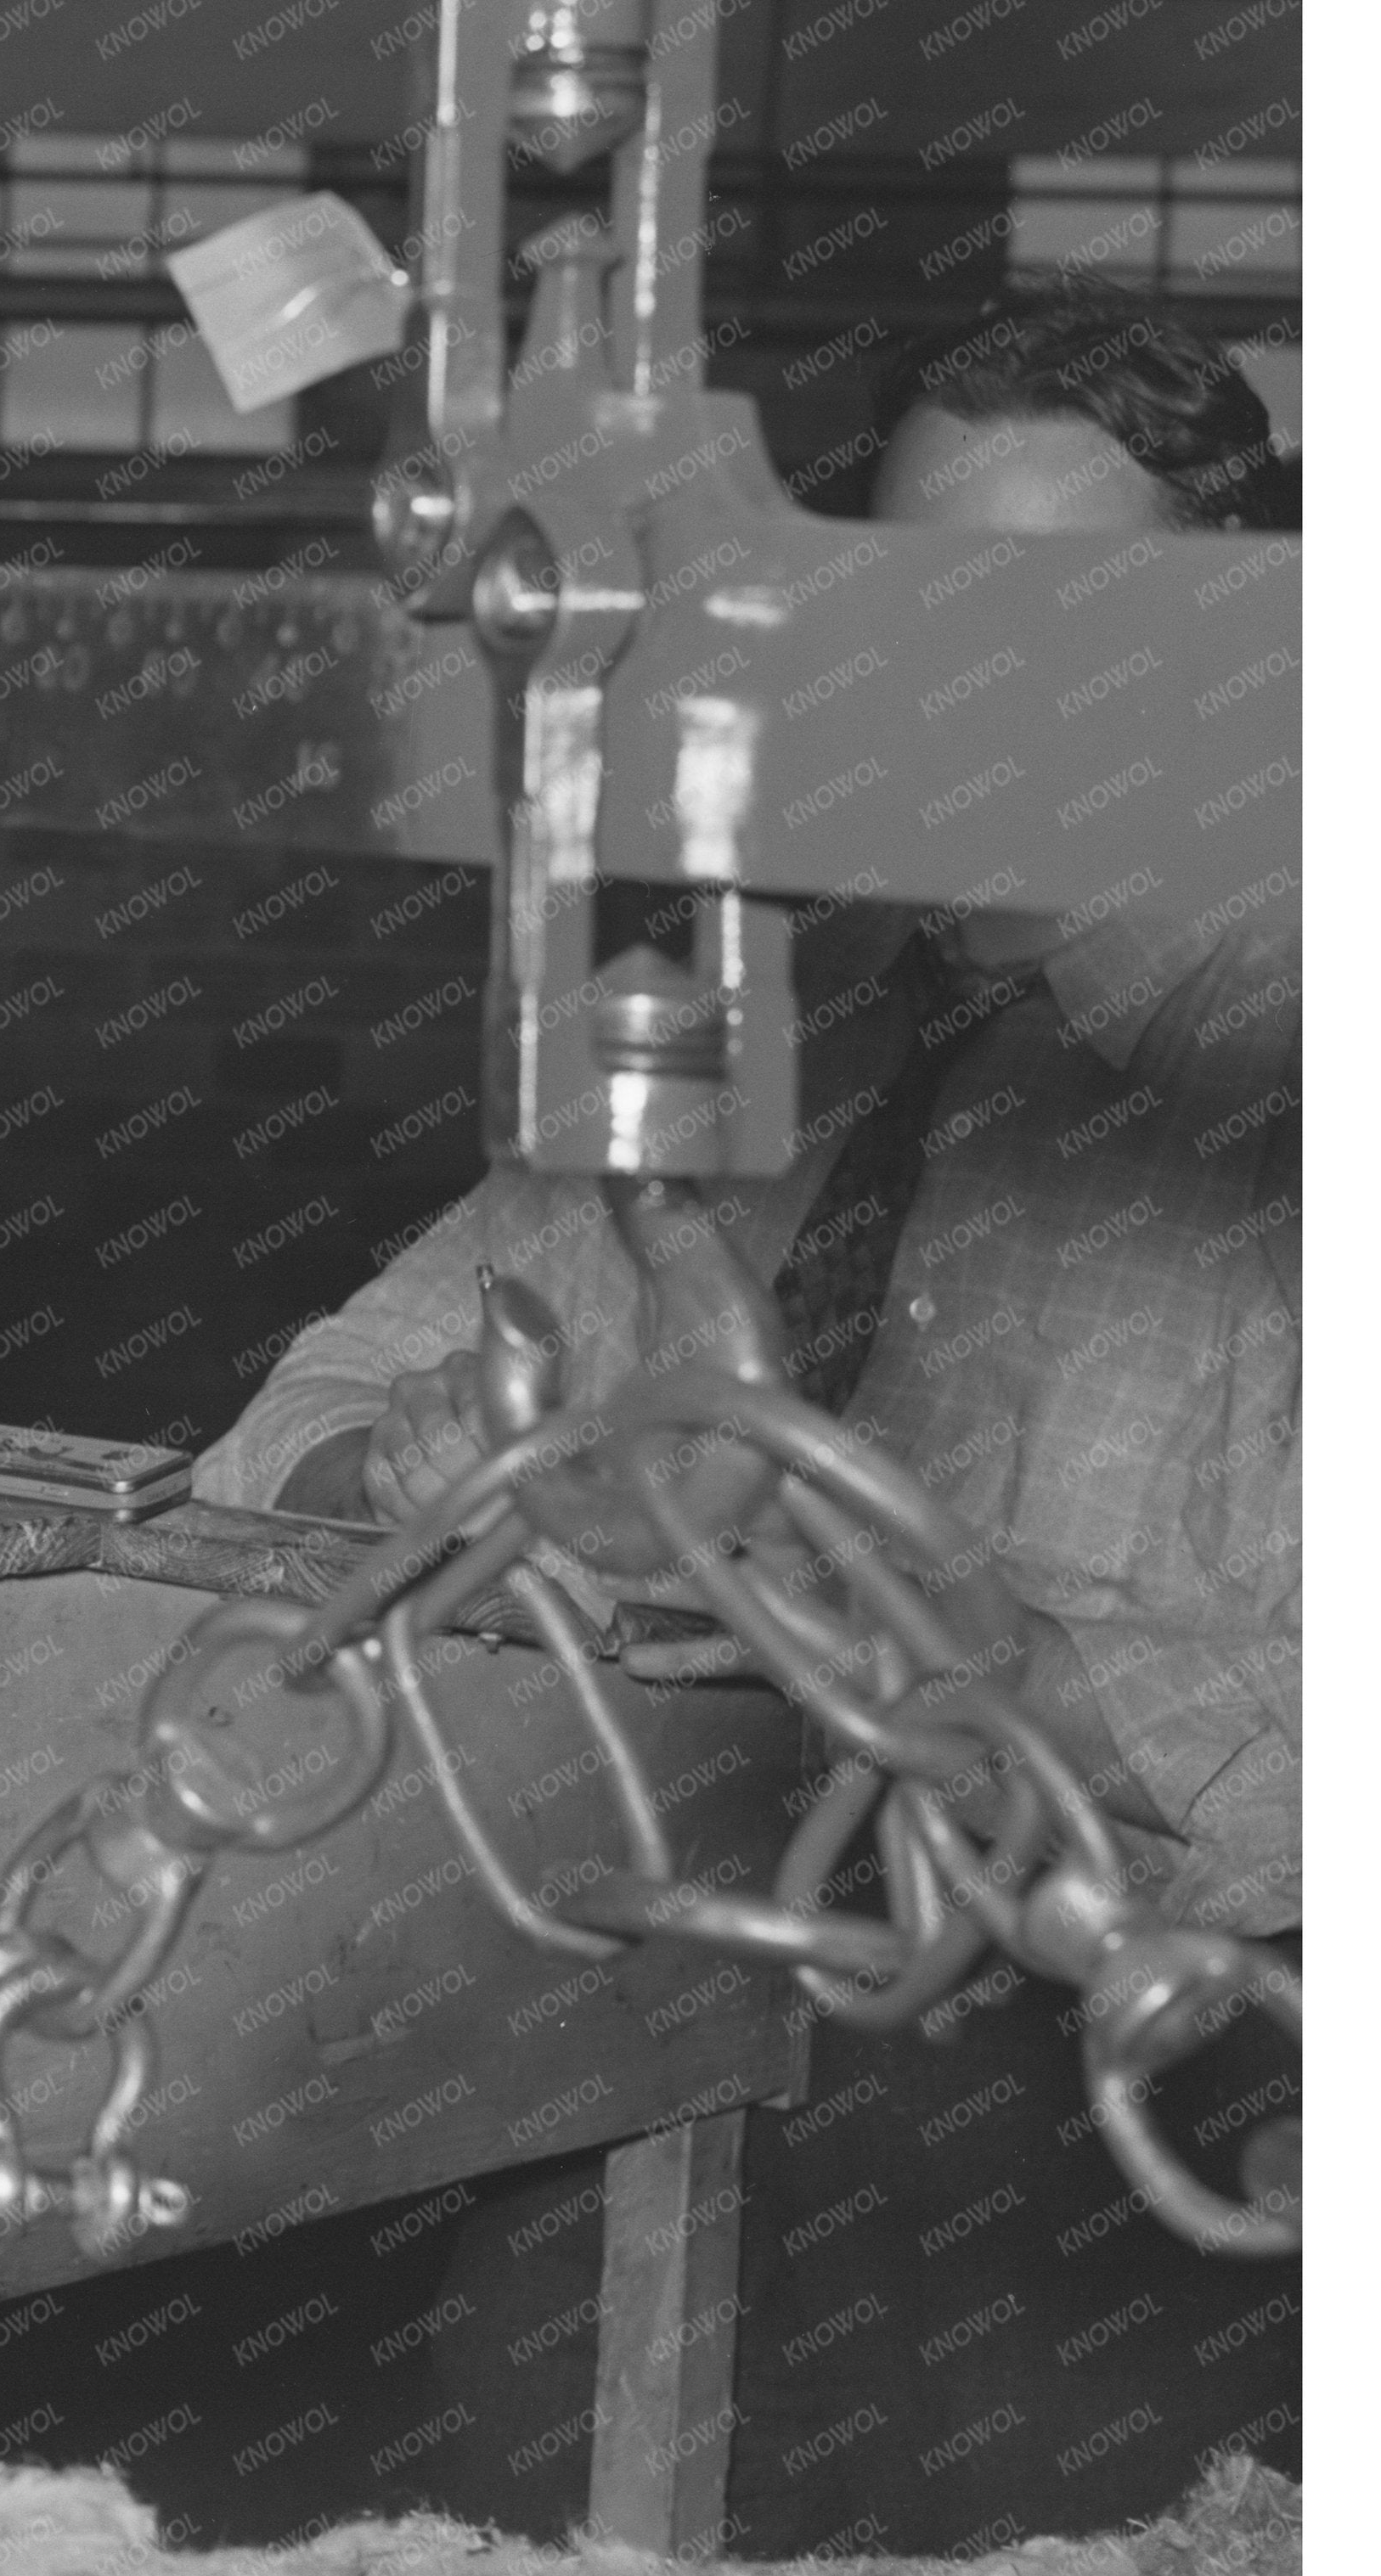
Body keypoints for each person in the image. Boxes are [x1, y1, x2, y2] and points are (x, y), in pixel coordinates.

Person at [197, 307, 1299, 1932]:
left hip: (1130, 2041)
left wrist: (847, 1627)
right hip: (638, 1923)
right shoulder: (756, 1003)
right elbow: (296, 1416)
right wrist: (404, 1472)